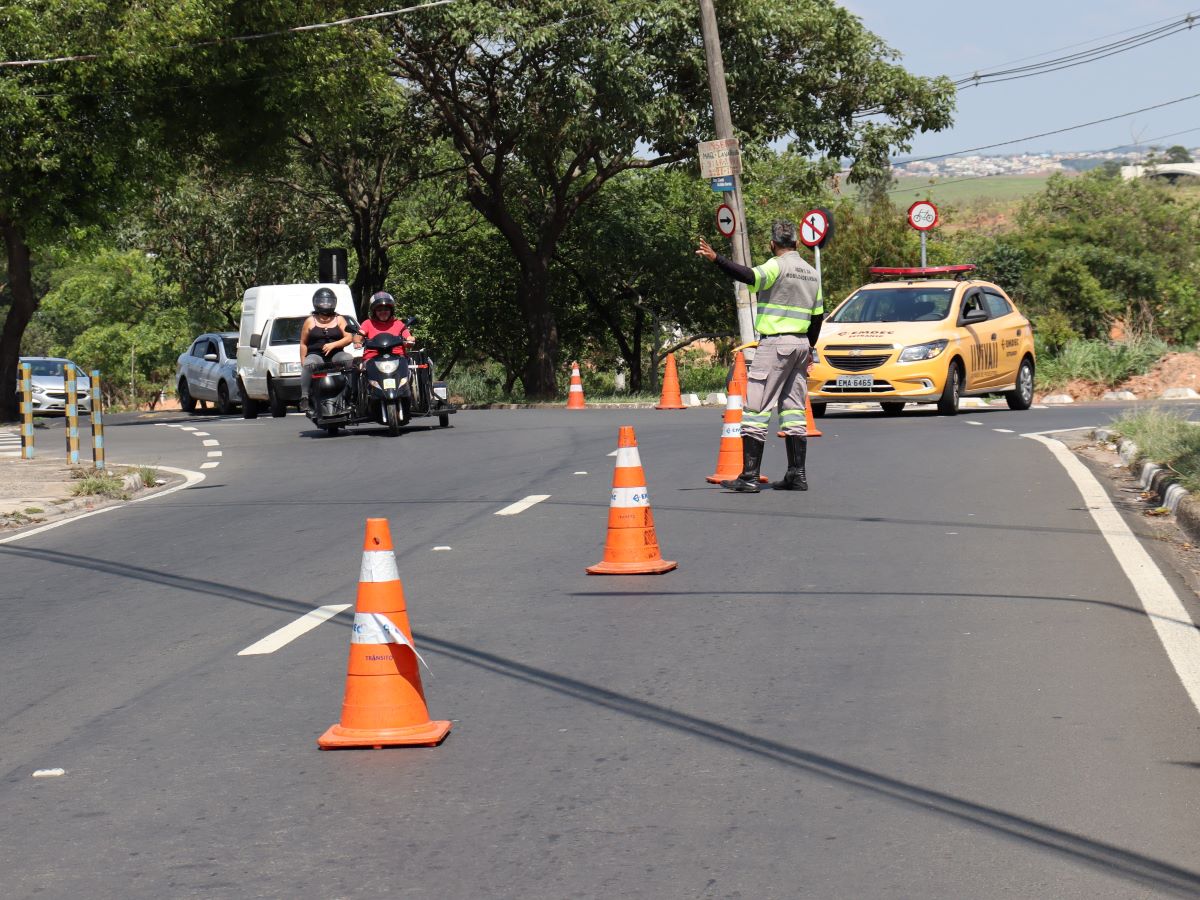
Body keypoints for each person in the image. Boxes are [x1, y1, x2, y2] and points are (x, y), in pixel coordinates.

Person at [696, 220, 824, 492]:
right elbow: (817, 317)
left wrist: (716, 258)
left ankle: (749, 477)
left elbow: (749, 276)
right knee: (793, 412)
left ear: (772, 244)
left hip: (776, 345)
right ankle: (796, 474)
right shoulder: (812, 273)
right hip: (801, 345)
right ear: (797, 244)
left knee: (756, 409)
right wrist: (809, 349)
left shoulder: (776, 265)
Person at [299, 287, 355, 412]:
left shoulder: (339, 319)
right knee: (309, 365)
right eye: (322, 301)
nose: (325, 304)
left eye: (328, 301)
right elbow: (303, 343)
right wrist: (303, 361)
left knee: (349, 360)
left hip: (336, 354)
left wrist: (333, 345)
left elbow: (349, 338)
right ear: (316, 303)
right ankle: (305, 398)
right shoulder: (310, 321)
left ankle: (350, 395)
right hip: (316, 355)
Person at [354, 291, 413, 360]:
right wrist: (357, 341)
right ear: (374, 312)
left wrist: (410, 340)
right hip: (372, 358)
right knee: (362, 368)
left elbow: (408, 337)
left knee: (405, 367)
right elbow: (360, 334)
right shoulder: (368, 323)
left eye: (386, 309)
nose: (383, 312)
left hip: (397, 358)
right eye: (379, 310)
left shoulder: (399, 323)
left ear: (391, 311)